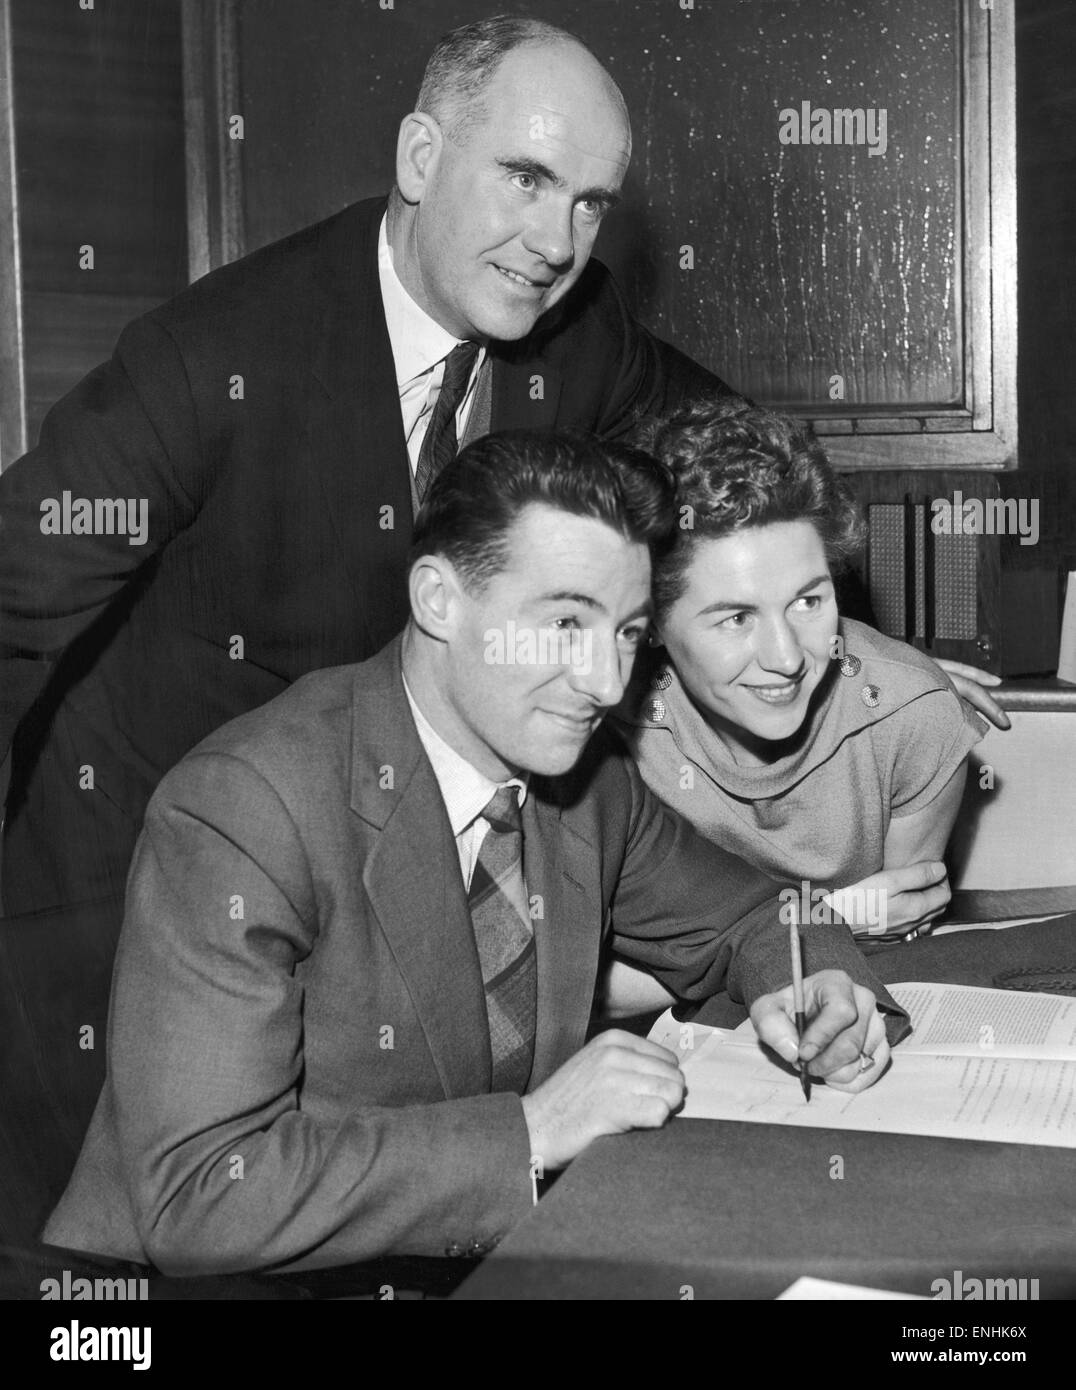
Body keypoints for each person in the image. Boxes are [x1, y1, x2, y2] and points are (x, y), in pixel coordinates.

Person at [43, 431, 902, 1275]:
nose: (605, 683)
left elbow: (753, 915)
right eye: (565, 621)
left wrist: (811, 981)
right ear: (439, 600)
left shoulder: (584, 781)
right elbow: (201, 1197)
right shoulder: (246, 806)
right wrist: (530, 1133)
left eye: (629, 633)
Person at [0, 16, 730, 921]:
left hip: (393, 896)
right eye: (526, 178)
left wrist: (860, 664)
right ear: (420, 159)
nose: (556, 244)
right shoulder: (211, 359)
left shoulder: (583, 333)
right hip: (143, 889)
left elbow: (738, 456)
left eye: (590, 203)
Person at [606, 399, 987, 1011]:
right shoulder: (603, 735)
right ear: (648, 622)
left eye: (809, 602)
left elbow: (900, 939)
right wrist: (828, 922)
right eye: (735, 618)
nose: (786, 658)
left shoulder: (914, 717)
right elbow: (573, 989)